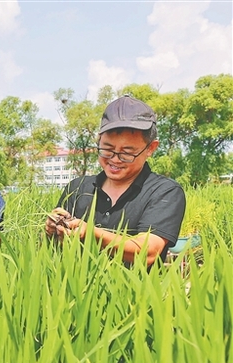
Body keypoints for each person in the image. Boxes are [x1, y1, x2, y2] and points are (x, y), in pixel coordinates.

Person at [45, 95, 185, 267]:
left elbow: (148, 252)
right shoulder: (78, 188)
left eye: (127, 152)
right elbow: (55, 252)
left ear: (151, 148)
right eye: (107, 149)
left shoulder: (165, 192)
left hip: (136, 293)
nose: (115, 159)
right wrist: (53, 230)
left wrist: (90, 233)